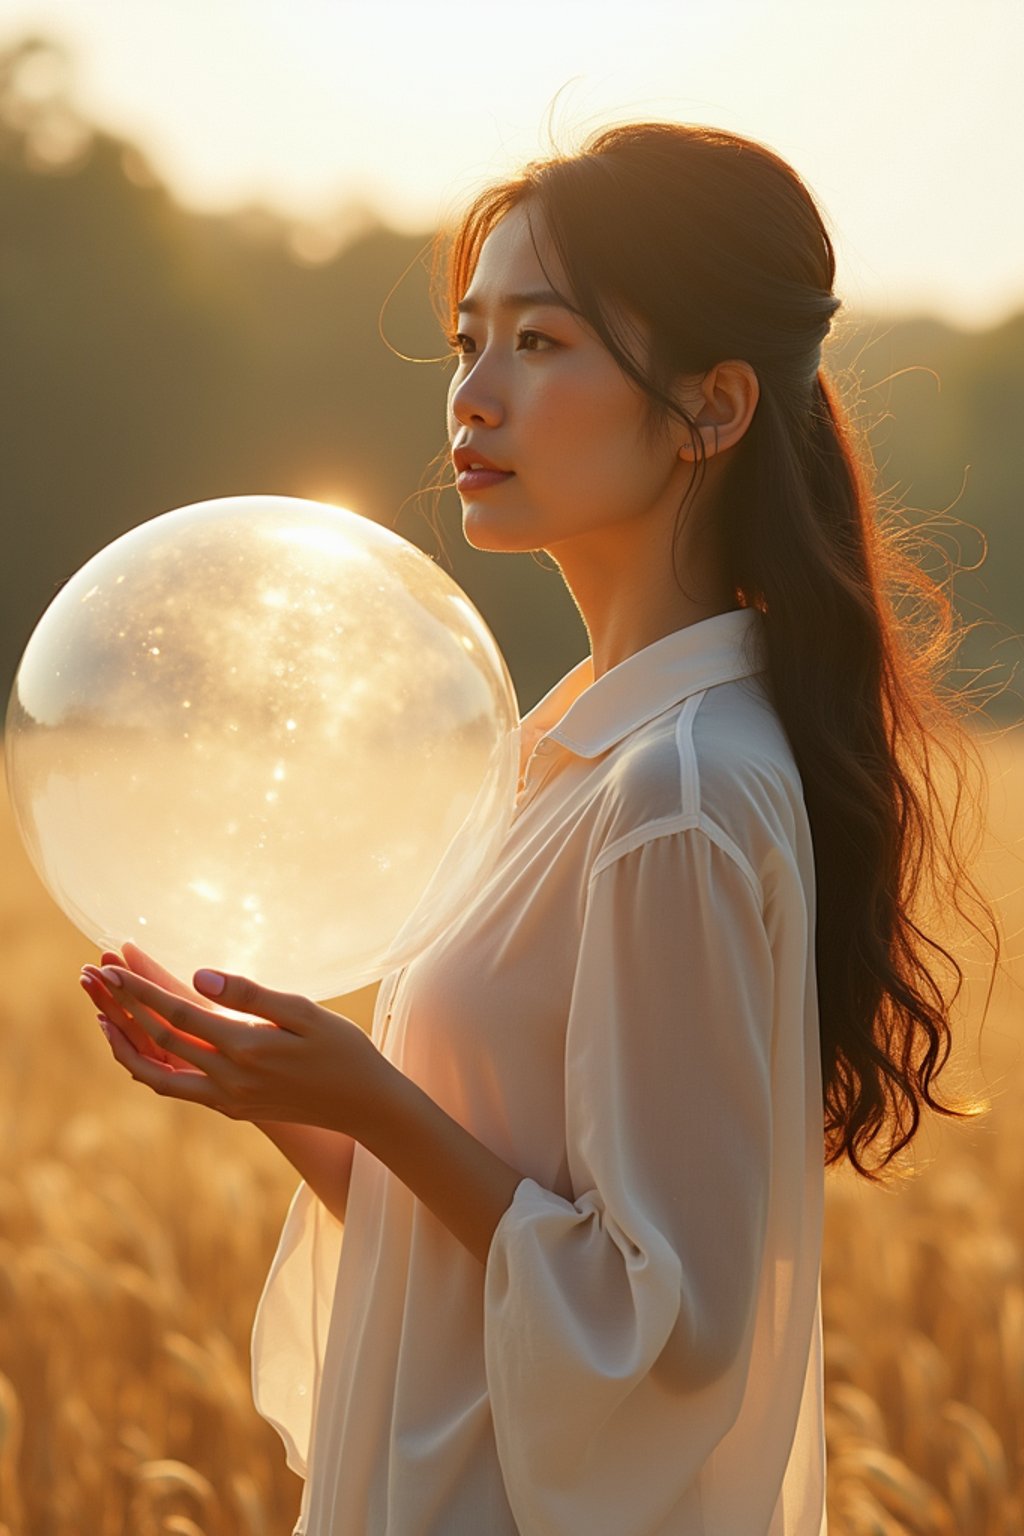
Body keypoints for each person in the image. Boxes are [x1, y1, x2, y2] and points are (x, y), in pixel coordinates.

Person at [80, 122, 996, 1536]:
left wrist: (372, 1095)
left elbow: (662, 1324)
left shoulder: (672, 798)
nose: (475, 396)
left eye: (544, 344)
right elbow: (476, 1242)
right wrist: (280, 1093)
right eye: (468, 341)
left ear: (713, 408)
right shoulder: (570, 755)